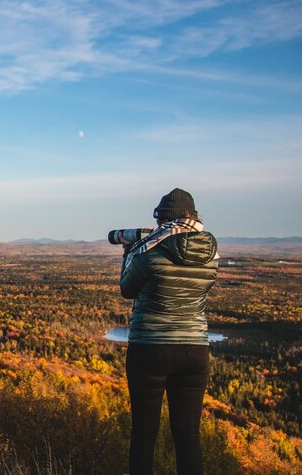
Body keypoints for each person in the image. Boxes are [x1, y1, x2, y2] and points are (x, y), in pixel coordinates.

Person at [118, 188, 219, 475]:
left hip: (150, 346)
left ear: (163, 220)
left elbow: (127, 289)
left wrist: (129, 250)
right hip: (195, 348)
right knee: (188, 434)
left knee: (144, 432)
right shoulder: (212, 256)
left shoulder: (150, 252)